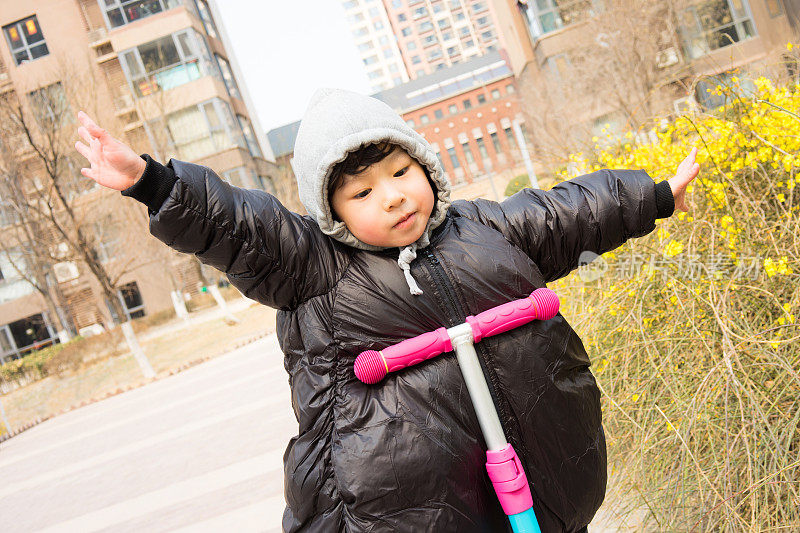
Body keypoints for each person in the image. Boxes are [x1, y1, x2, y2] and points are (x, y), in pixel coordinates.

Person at [75, 88, 699, 532]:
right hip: (405, 504)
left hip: (546, 471)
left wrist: (655, 195)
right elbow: (238, 225)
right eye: (363, 191)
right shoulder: (313, 269)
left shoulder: (483, 228)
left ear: (424, 165)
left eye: (401, 171)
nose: (394, 196)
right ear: (334, 212)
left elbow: (569, 214)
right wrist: (152, 183)